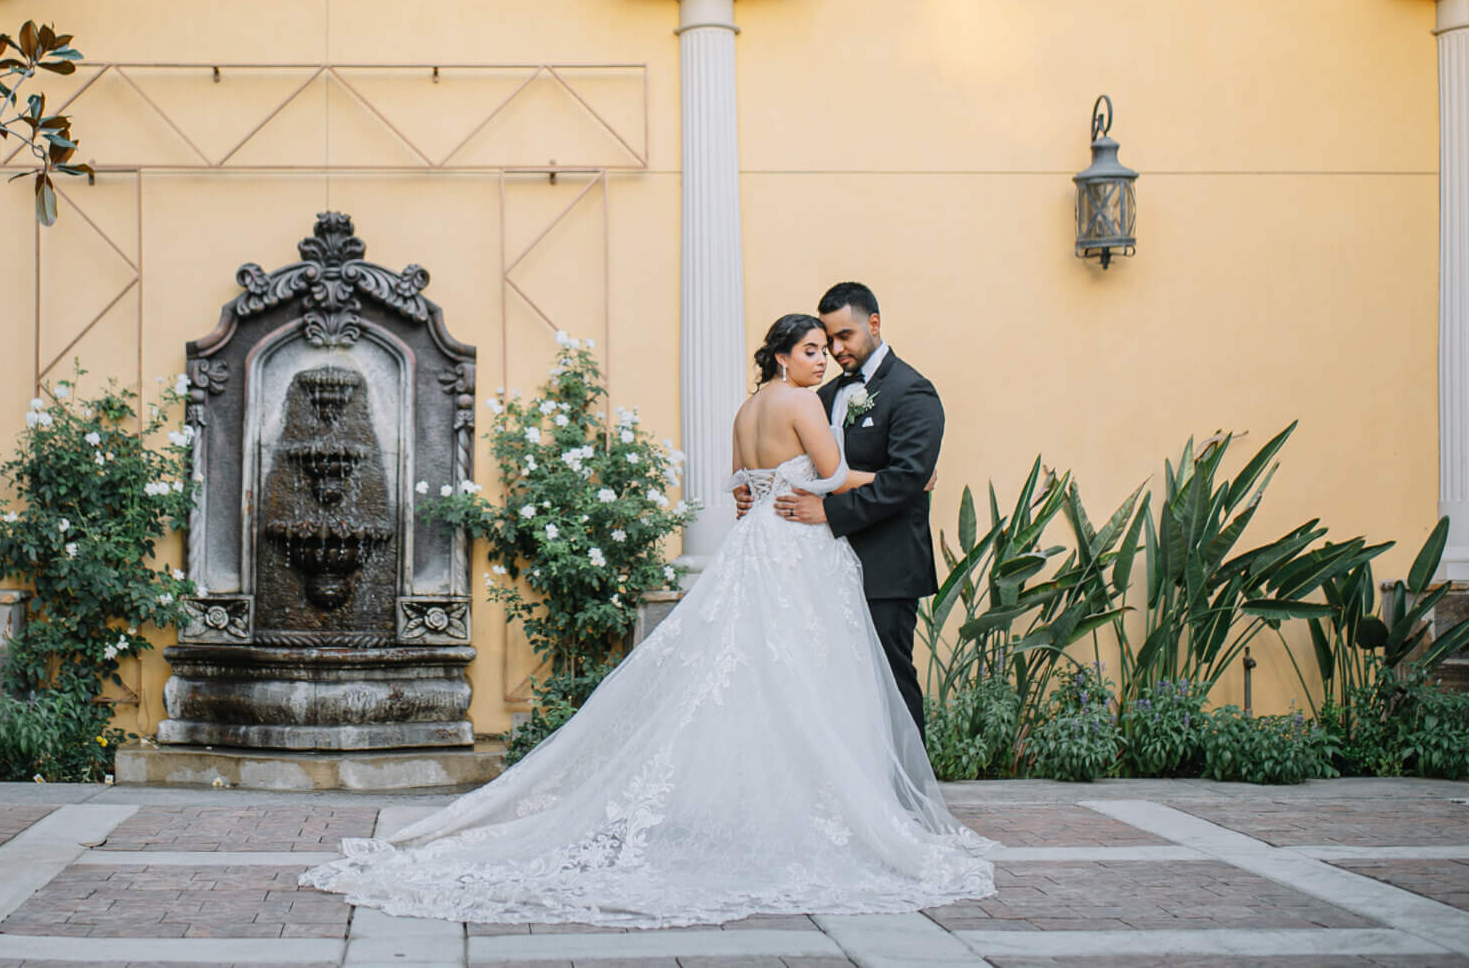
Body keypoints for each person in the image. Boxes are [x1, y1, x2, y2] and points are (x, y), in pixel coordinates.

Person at [299, 314, 992, 928]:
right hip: (796, 549)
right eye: (811, 348)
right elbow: (836, 475)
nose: (822, 359)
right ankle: (820, 810)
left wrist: (765, 491)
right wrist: (903, 480)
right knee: (806, 674)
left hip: (754, 546)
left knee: (752, 672)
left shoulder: (747, 407)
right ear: (784, 356)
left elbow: (735, 486)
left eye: (825, 348)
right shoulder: (802, 401)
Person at [743, 282, 941, 744]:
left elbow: (905, 480)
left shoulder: (913, 391)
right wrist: (758, 491)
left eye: (844, 337)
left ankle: (909, 799)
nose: (835, 350)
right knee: (836, 688)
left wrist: (829, 512)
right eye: (827, 341)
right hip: (821, 565)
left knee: (890, 681)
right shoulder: (821, 393)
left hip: (886, 565)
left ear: (874, 324)